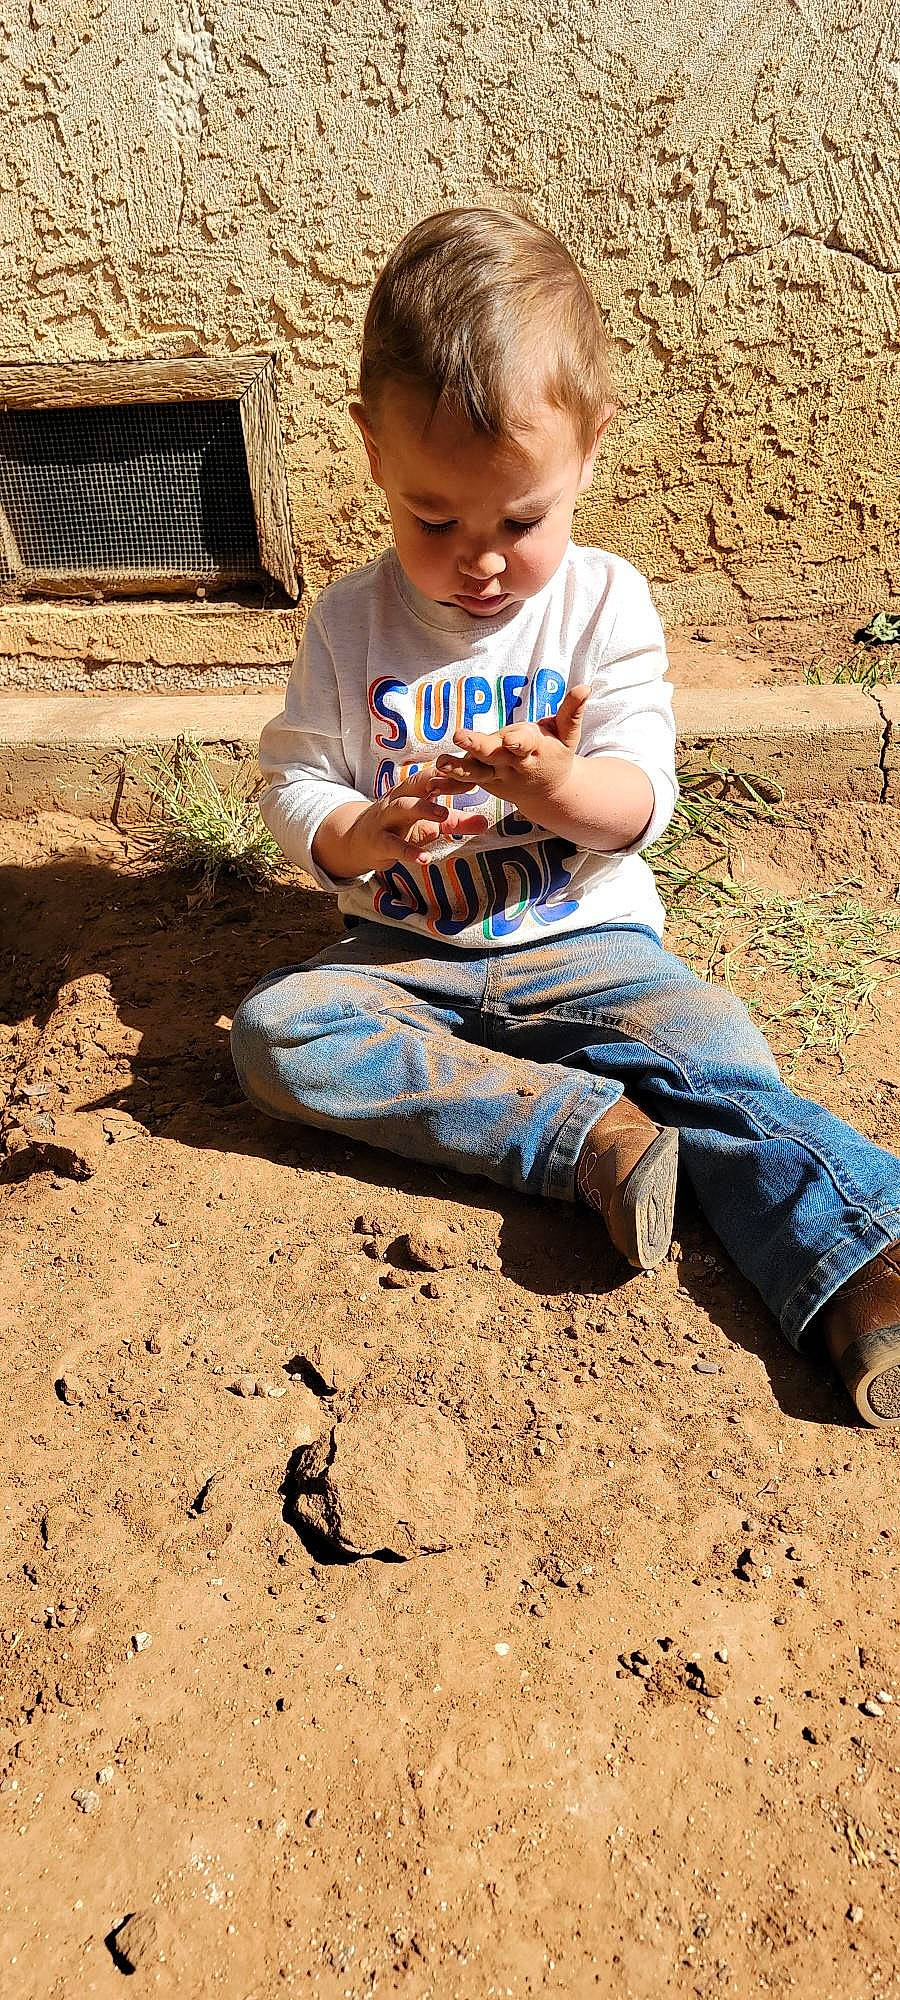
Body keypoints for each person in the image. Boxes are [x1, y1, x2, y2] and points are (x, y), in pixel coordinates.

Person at [231, 206, 900, 1428]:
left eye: (518, 520)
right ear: (374, 454)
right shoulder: (345, 623)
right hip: (403, 962)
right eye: (435, 519)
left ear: (588, 452)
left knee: (719, 1051)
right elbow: (293, 782)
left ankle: (863, 1262)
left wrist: (556, 791)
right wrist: (356, 835)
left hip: (591, 945)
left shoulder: (603, 605)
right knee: (278, 1031)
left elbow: (644, 795)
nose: (479, 559)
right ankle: (584, 1132)